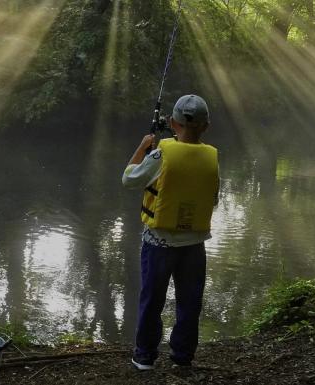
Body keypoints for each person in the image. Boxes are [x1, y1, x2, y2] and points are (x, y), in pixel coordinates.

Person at [122, 94, 219, 369]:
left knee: (152, 301)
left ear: (173, 124)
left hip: (158, 243)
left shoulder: (160, 153)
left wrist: (142, 147)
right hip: (194, 245)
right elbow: (213, 198)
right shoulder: (212, 157)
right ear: (206, 126)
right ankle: (182, 358)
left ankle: (144, 358)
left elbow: (128, 179)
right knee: (189, 304)